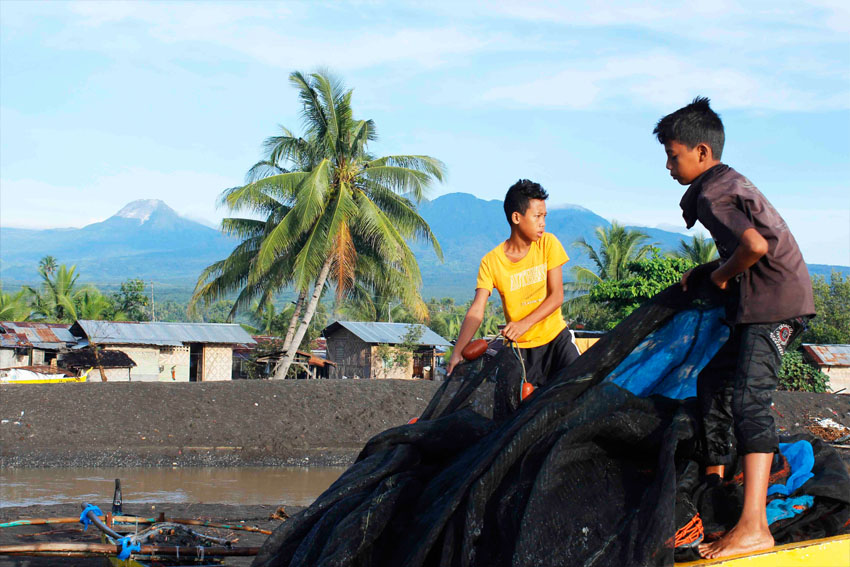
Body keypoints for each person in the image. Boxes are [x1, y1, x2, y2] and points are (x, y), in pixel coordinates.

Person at [654, 97, 815, 559]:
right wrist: (708, 270)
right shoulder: (726, 183)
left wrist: (722, 276)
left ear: (702, 152)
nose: (668, 165)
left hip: (774, 304)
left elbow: (753, 245)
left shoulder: (710, 193)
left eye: (674, 154)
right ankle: (715, 483)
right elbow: (745, 243)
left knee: (748, 401)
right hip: (765, 301)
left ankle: (753, 526)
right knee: (714, 381)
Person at [446, 179, 580, 389]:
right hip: (519, 352)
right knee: (514, 410)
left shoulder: (548, 244)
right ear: (517, 217)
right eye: (537, 216)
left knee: (580, 390)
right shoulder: (491, 261)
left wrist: (524, 324)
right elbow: (477, 310)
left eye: (544, 216)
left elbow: (557, 296)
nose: (542, 223)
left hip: (557, 342)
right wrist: (457, 353)